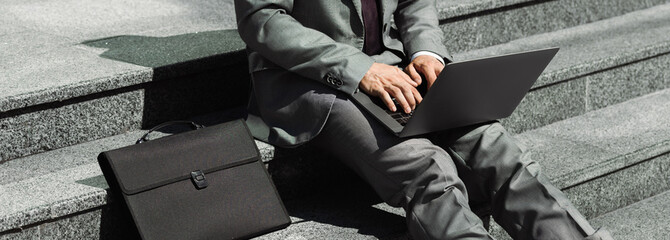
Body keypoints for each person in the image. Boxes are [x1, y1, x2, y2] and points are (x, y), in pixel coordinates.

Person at [234, 0, 612, 239]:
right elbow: (263, 20)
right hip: (308, 80)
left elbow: (415, 3)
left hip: (392, 66)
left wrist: (427, 52)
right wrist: (359, 69)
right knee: (426, 165)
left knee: (495, 146)